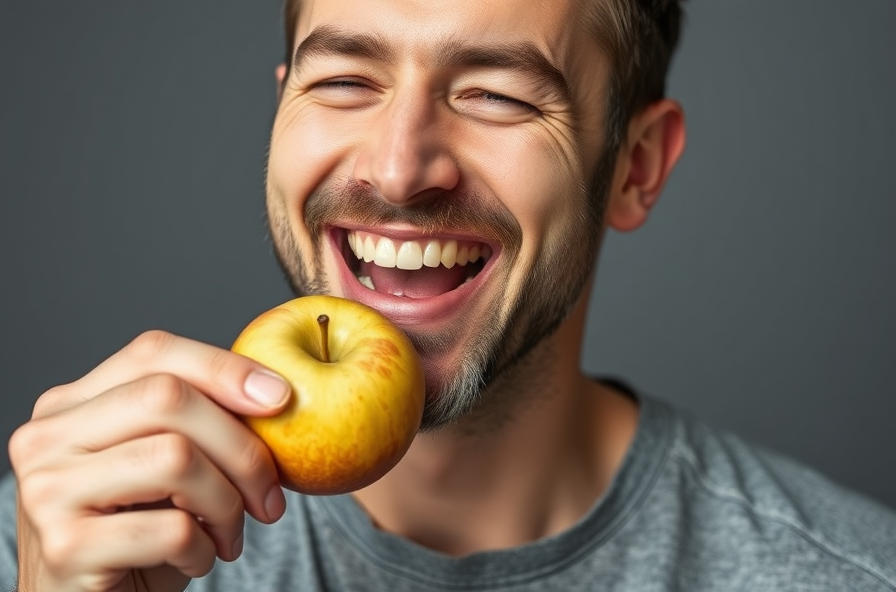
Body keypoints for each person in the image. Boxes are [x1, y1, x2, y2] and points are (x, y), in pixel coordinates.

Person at [3, 0, 896, 590]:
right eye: (345, 81)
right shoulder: (57, 546)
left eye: (498, 95)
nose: (398, 169)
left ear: (635, 167)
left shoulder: (848, 574)